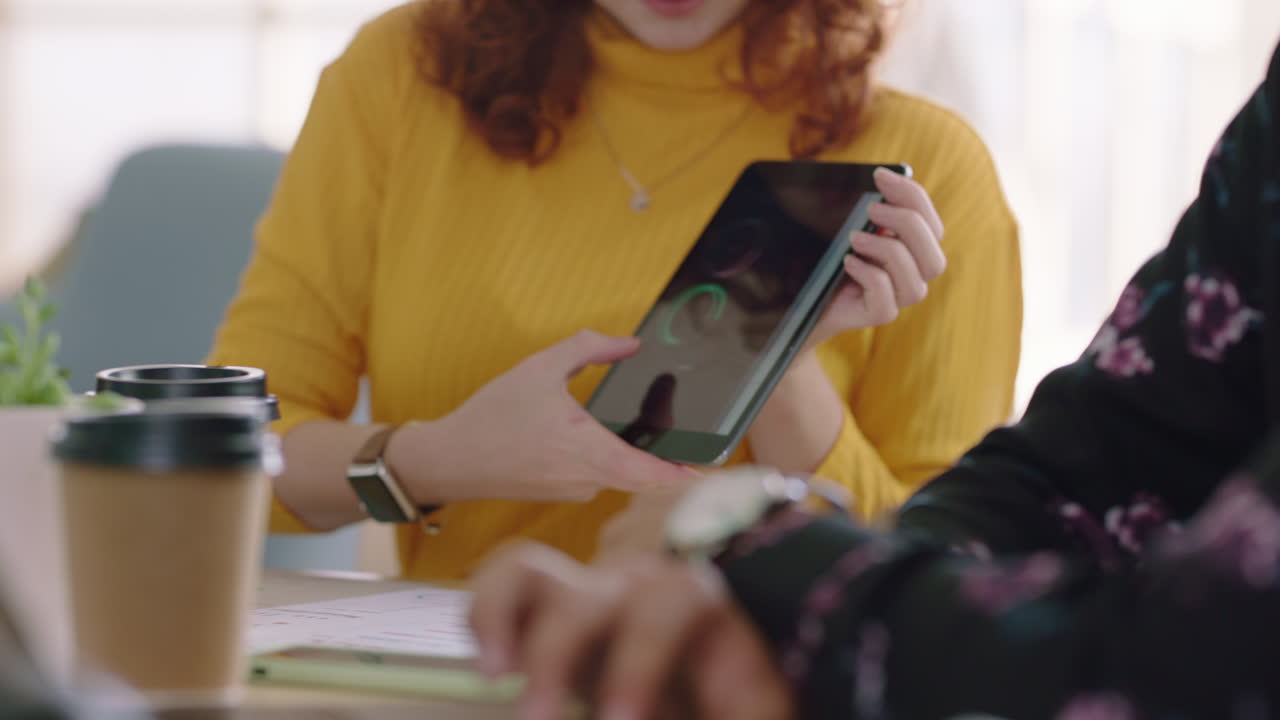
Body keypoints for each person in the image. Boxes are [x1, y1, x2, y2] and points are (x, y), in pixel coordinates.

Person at [467, 42, 1280, 720]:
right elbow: (1091, 460)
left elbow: (1218, 645)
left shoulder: (937, 159)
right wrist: (774, 601)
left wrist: (762, 543)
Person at [208, 0, 1021, 580]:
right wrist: (438, 459)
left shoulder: (926, 167)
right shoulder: (398, 78)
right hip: (461, 678)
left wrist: (774, 363)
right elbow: (226, 456)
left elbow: (947, 581)